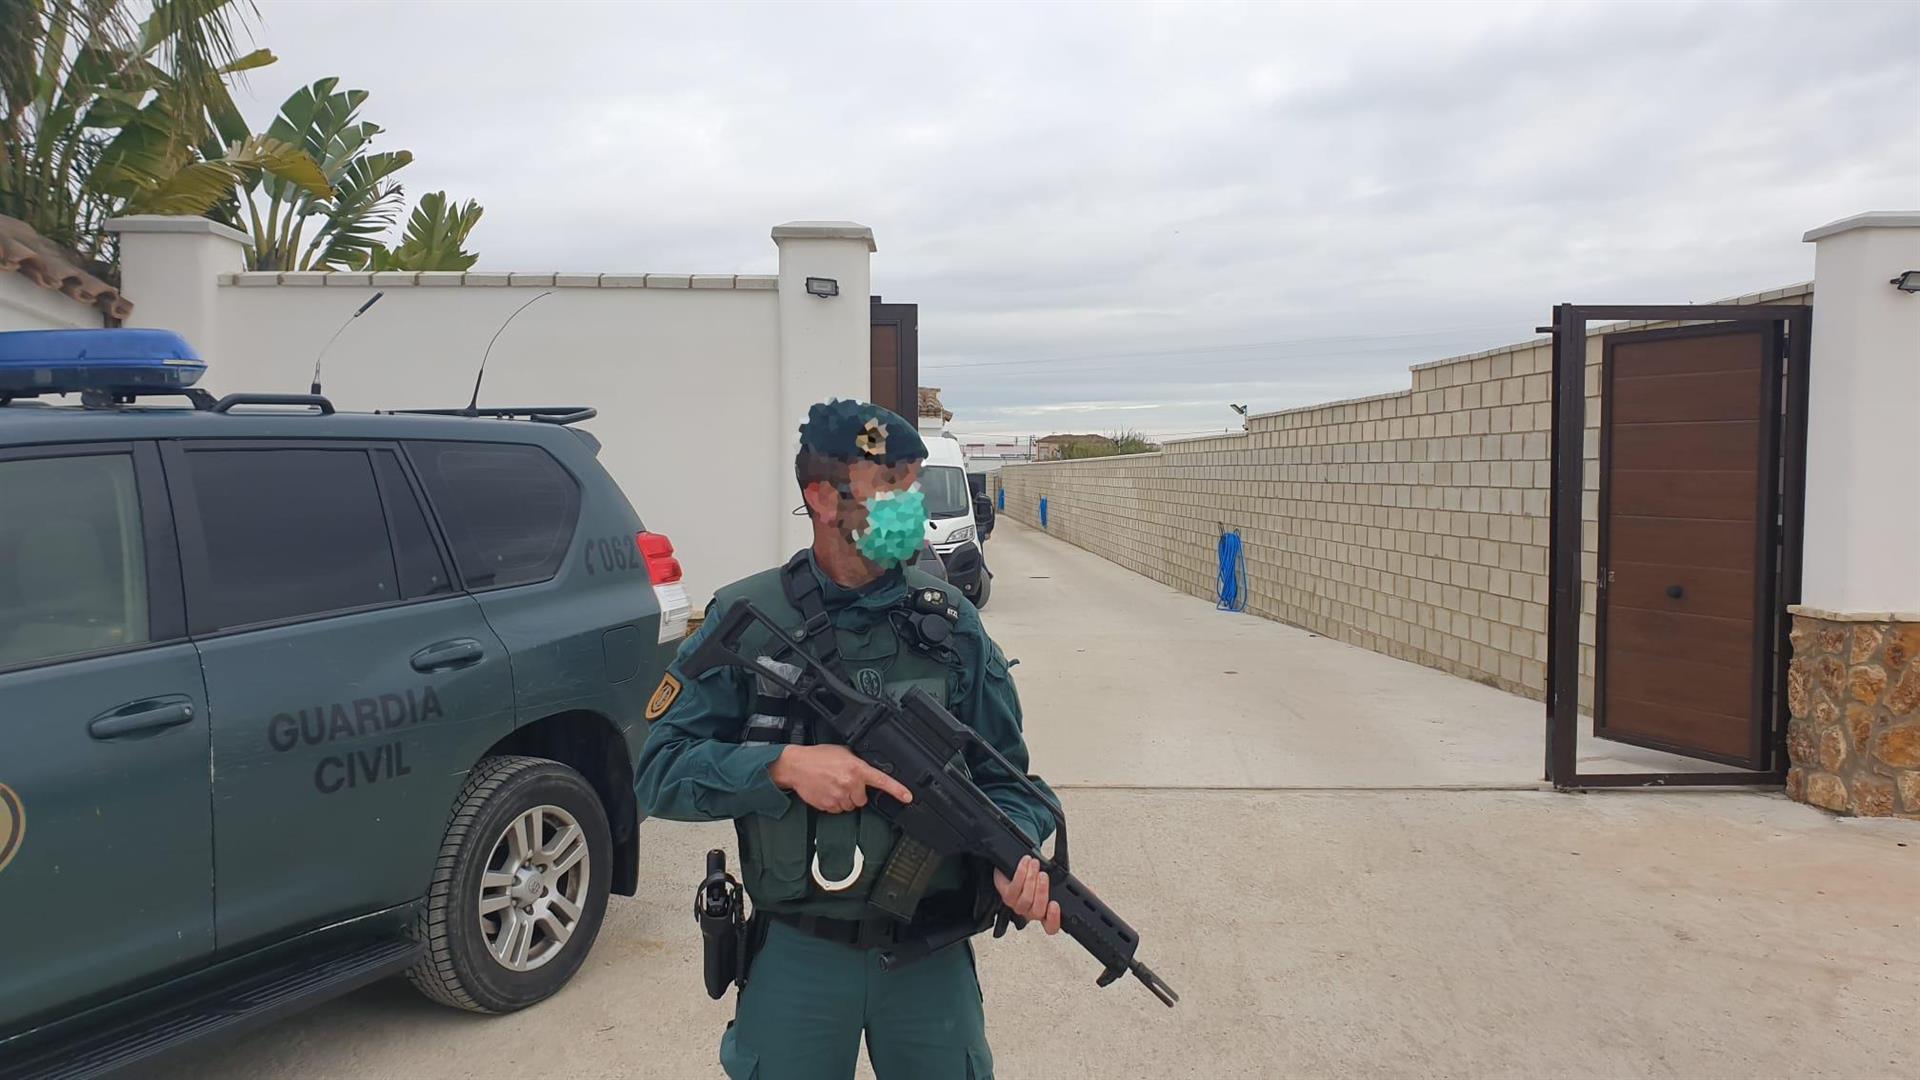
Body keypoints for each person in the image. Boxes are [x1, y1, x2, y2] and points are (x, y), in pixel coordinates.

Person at [634, 399, 1059, 1080]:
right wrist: (780, 766)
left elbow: (1010, 779)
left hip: (929, 957)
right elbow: (657, 772)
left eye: (913, 487)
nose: (910, 507)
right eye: (889, 488)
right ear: (821, 499)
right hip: (800, 958)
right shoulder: (747, 619)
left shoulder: (950, 623)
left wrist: (1020, 853)